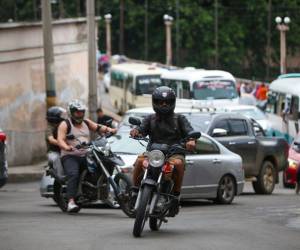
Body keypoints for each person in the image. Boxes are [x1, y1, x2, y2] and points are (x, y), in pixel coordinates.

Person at [130, 86, 197, 216]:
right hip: (154, 154)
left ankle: (176, 197)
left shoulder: (180, 119)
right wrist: (136, 131)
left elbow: (190, 132)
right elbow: (141, 128)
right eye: (160, 102)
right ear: (155, 102)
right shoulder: (150, 119)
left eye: (167, 102)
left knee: (178, 164)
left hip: (174, 153)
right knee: (139, 161)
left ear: (173, 103)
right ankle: (134, 192)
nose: (164, 104)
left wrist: (191, 140)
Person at [57, 99, 117, 213]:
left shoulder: (86, 122)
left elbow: (98, 127)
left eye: (81, 112)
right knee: (73, 174)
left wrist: (111, 130)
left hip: (86, 153)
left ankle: (104, 194)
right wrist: (66, 147)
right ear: (71, 112)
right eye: (77, 112)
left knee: (103, 164)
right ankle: (70, 201)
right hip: (70, 155)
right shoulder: (65, 124)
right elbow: (60, 139)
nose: (80, 114)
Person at [46, 106, 67, 175]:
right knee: (56, 158)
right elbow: (51, 139)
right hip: (54, 151)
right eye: (61, 115)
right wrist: (62, 143)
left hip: (65, 150)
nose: (63, 117)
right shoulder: (49, 128)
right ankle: (61, 177)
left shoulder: (64, 125)